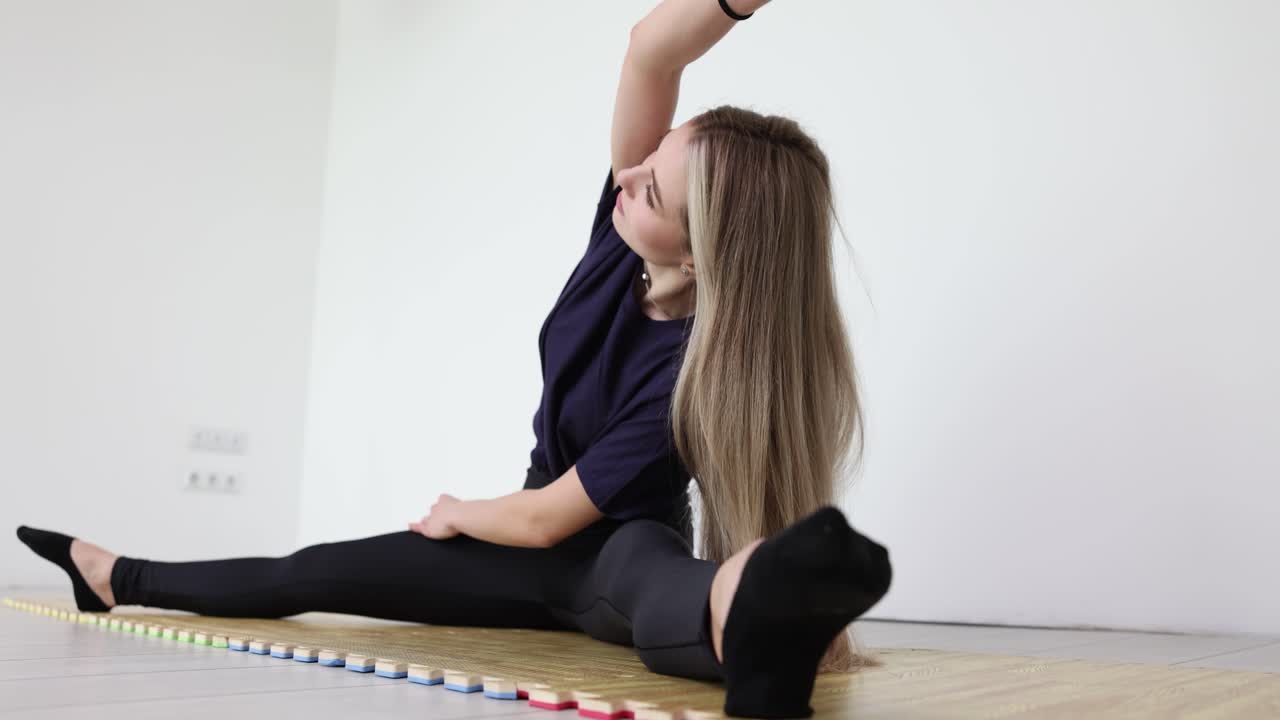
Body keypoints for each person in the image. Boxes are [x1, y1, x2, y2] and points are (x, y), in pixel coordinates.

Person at [15, 0, 892, 717]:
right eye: (645, 164)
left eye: (651, 184)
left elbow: (551, 520)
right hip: (527, 543)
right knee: (317, 571)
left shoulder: (688, 373)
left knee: (653, 582)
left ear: (700, 255)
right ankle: (110, 575)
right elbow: (648, 57)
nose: (626, 175)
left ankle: (763, 613)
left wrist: (461, 510)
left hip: (601, 547)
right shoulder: (624, 235)